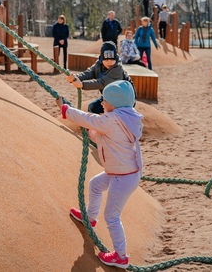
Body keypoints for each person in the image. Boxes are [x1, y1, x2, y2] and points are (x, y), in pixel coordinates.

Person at [56, 80, 143, 269]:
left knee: (112, 216)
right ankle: (90, 217)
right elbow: (103, 136)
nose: (102, 102)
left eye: (105, 100)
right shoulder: (125, 118)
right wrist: (91, 131)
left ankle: (121, 256)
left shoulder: (111, 120)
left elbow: (89, 118)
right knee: (95, 185)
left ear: (115, 103)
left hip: (122, 176)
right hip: (120, 172)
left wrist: (66, 109)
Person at [66, 41, 135, 114]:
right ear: (102, 59)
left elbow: (102, 83)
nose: (109, 62)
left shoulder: (118, 69)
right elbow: (89, 73)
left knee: (112, 114)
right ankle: (94, 125)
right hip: (109, 96)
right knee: (92, 107)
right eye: (106, 60)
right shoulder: (98, 64)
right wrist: (75, 78)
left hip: (124, 99)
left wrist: (82, 85)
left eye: (112, 60)